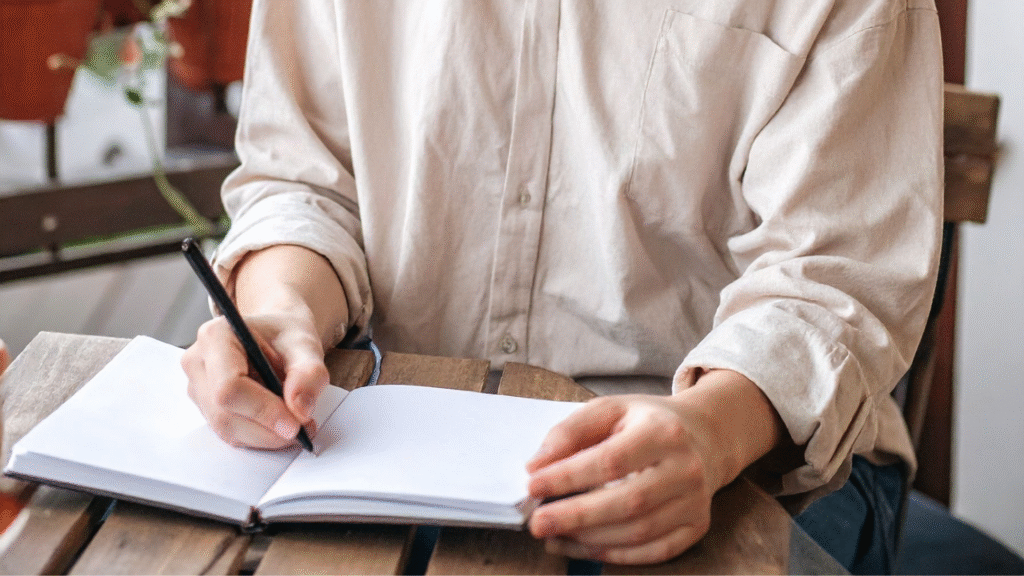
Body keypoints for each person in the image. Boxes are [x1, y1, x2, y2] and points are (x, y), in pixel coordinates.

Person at [182, 0, 943, 571]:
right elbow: (303, 182)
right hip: (392, 438)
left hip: (753, 454)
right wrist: (280, 309)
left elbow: (833, 278)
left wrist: (710, 433)